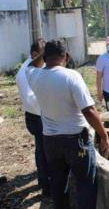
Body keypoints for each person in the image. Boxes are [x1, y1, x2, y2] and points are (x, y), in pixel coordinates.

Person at [26, 40, 109, 209]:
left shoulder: (33, 75)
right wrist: (104, 136)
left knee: (58, 182)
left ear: (45, 56)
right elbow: (89, 111)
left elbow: (31, 64)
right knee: (85, 183)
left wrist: (45, 54)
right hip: (75, 141)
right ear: (65, 56)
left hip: (50, 141)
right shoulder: (71, 76)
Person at [16, 38, 50, 196]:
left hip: (33, 115)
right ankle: (46, 185)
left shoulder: (29, 67)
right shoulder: (28, 71)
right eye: (44, 55)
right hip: (37, 116)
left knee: (41, 149)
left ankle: (44, 181)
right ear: (35, 54)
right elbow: (32, 98)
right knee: (44, 152)